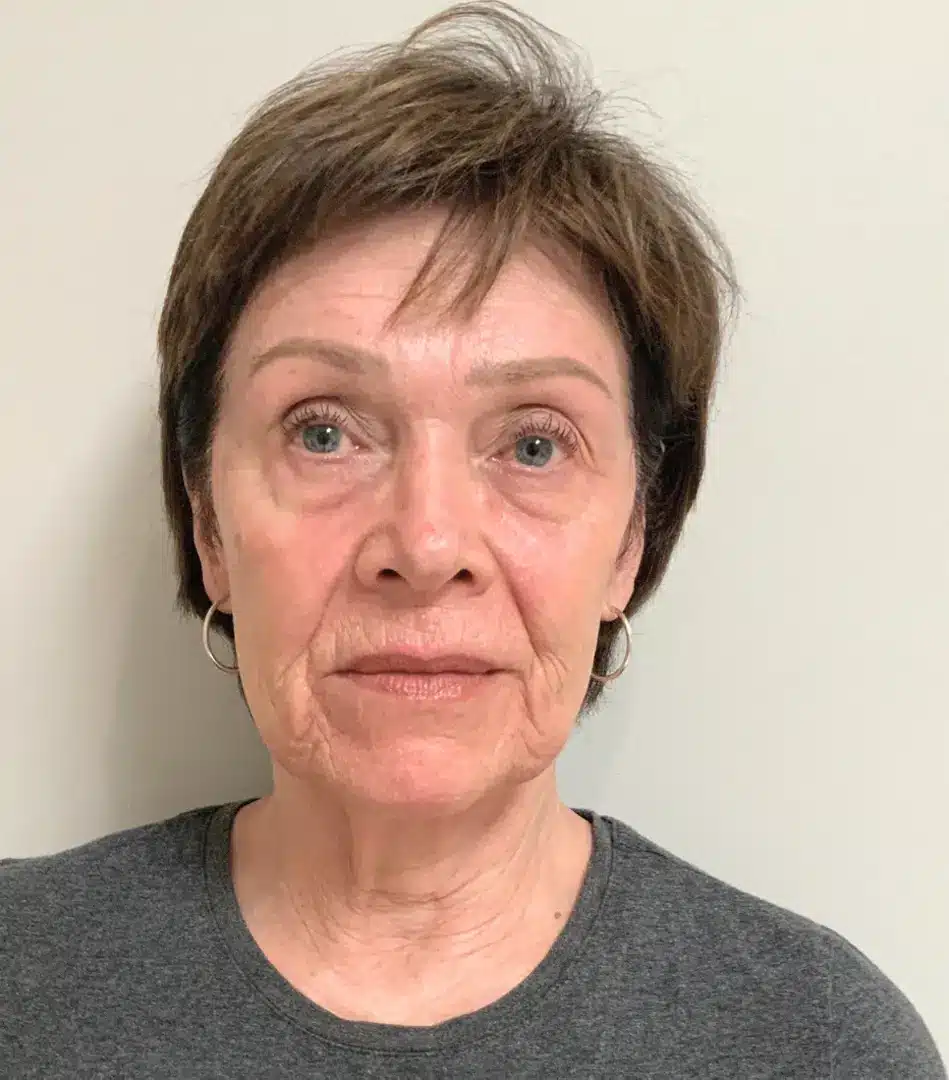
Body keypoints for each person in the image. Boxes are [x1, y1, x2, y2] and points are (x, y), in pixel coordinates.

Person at [1, 3, 944, 1077]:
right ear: (210, 525)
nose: (427, 539)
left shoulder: (818, 1046)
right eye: (323, 431)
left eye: (533, 445)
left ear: (632, 540)